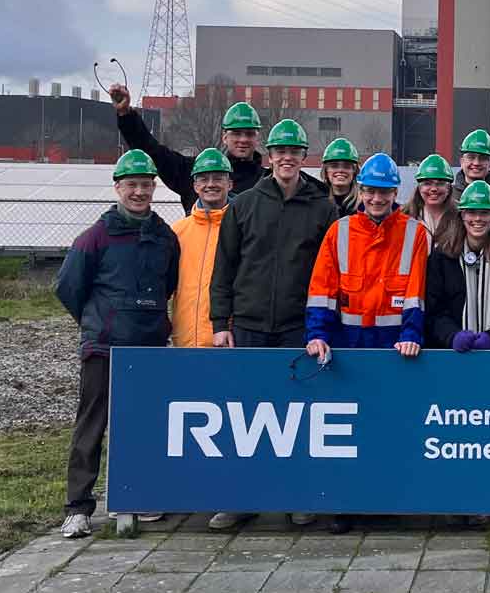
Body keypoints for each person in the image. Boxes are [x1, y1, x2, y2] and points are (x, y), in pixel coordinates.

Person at [206, 118, 336, 530]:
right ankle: (241, 499)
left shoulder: (322, 207)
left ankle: (297, 498)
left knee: (296, 415)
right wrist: (219, 321)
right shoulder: (243, 204)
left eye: (294, 152)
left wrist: (322, 326)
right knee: (246, 414)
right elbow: (223, 267)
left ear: (303, 156)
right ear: (270, 155)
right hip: (248, 323)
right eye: (279, 151)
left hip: (297, 325)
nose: (286, 158)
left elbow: (330, 271)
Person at [53, 150, 179, 538]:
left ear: (153, 187)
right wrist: (97, 322)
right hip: (105, 348)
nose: (139, 192)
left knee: (145, 425)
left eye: (145, 185)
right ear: (118, 188)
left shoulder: (164, 237)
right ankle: (78, 506)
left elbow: (169, 283)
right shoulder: (95, 237)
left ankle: (140, 494)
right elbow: (68, 287)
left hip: (149, 348)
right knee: (93, 423)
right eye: (132, 185)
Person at [306, 153, 428, 534]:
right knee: (349, 432)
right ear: (361, 190)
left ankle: (386, 501)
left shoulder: (414, 232)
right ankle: (346, 505)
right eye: (372, 191)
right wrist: (317, 336)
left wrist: (411, 335)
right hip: (349, 346)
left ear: (396, 193)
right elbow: (322, 290)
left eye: (385, 192)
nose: (377, 199)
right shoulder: (339, 232)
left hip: (392, 347)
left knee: (391, 427)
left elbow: (416, 292)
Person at [109, 86, 266, 213]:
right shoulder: (192, 171)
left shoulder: (268, 181)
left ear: (257, 137)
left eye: (249, 133)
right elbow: (151, 150)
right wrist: (126, 115)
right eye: (237, 133)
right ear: (224, 136)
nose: (243, 139)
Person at [427, 180, 490, 352]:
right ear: (462, 216)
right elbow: (434, 310)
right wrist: (452, 336)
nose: (477, 219)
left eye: (484, 213)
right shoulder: (441, 257)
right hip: (450, 355)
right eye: (471, 212)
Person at [169, 149, 233, 349]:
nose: (211, 184)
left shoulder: (242, 229)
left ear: (230, 184)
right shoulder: (178, 231)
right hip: (185, 341)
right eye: (203, 179)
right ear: (195, 186)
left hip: (225, 341)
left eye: (218, 178)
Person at [406, 153, 459, 246]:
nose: (434, 189)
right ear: (419, 187)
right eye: (427, 183)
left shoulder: (460, 217)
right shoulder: (405, 216)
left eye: (440, 183)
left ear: (449, 188)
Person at [453, 128, 490, 199]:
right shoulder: (448, 196)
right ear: (462, 161)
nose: (476, 163)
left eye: (483, 158)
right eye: (471, 157)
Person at [320, 137, 361, 219]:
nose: (340, 170)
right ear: (326, 171)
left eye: (346, 166)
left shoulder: (364, 206)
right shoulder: (316, 201)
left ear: (354, 171)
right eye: (334, 166)